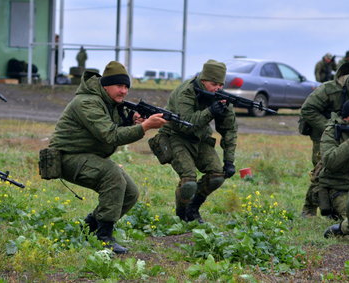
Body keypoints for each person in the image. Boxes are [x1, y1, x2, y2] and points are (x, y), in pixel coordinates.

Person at [48, 61, 166, 254]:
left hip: (89, 156)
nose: (124, 91)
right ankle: (104, 237)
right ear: (105, 85)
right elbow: (110, 135)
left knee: (130, 192)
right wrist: (144, 127)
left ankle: (89, 228)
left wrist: (131, 121)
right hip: (67, 157)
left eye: (126, 86)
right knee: (113, 176)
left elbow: (114, 128)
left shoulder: (110, 103)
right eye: (119, 86)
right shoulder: (87, 102)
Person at [150, 59, 237, 223]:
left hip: (200, 138)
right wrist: (211, 111)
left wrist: (229, 160)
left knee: (217, 175)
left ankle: (193, 208)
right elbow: (186, 125)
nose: (218, 88)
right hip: (176, 136)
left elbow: (229, 129)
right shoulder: (186, 92)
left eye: (221, 84)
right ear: (203, 80)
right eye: (214, 84)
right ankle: (182, 214)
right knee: (189, 182)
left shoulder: (220, 98)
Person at [300, 62, 349, 217]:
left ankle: (337, 205)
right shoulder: (329, 89)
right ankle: (309, 208)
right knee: (321, 170)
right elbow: (307, 109)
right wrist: (329, 127)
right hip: (325, 132)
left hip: (347, 131)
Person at [321, 99, 349, 238]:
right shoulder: (332, 131)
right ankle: (339, 229)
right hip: (340, 188)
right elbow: (329, 161)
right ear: (348, 117)